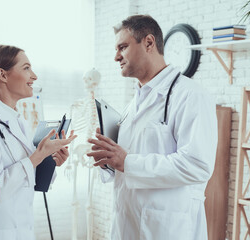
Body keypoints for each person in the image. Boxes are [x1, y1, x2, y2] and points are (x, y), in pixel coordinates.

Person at [87, 15, 217, 240]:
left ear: (148, 43)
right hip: (127, 223)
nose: (116, 56)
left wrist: (126, 161)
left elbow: (197, 165)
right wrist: (109, 157)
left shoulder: (191, 95)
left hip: (167, 228)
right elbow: (126, 161)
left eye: (123, 47)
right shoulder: (133, 103)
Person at [0, 45, 77, 240]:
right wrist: (37, 156)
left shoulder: (18, 121)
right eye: (26, 68)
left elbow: (28, 178)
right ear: (3, 75)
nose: (34, 76)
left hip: (17, 230)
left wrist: (50, 160)